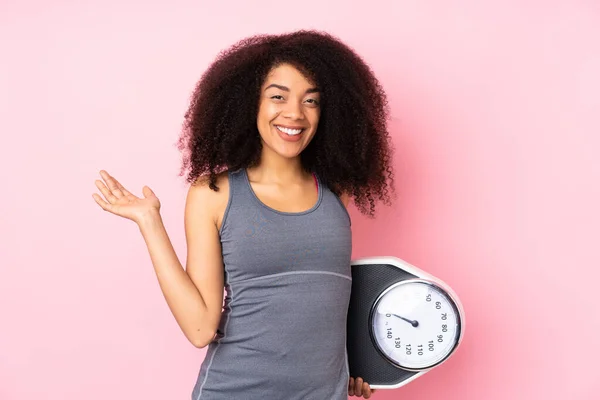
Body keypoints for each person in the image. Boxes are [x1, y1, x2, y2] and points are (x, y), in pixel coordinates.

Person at [92, 30, 394, 399]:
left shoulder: (335, 192)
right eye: (278, 97)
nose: (294, 113)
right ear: (249, 102)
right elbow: (200, 329)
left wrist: (359, 363)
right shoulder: (214, 194)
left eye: (311, 101)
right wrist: (150, 222)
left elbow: (327, 296)